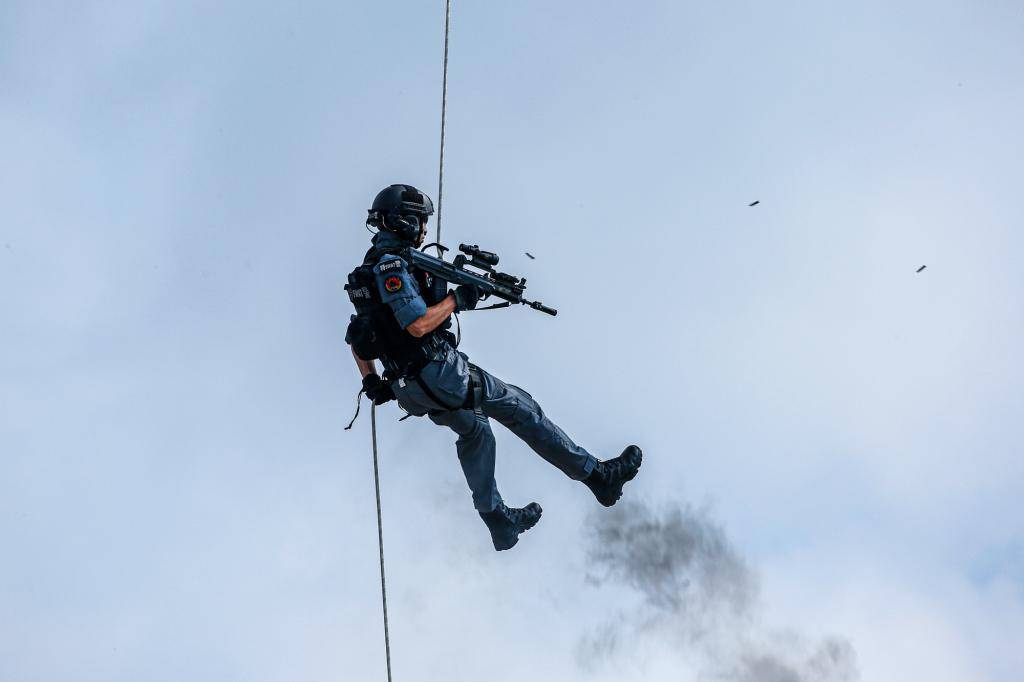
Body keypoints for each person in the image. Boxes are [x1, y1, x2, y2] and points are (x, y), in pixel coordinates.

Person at [345, 184, 642, 551]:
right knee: (521, 406)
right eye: (420, 222)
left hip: (410, 390)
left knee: (476, 432)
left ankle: (497, 520)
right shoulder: (393, 267)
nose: (423, 231)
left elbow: (357, 337)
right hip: (439, 372)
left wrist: (372, 380)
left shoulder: (366, 273)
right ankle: (599, 477)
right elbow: (418, 324)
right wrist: (457, 299)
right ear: (403, 221)